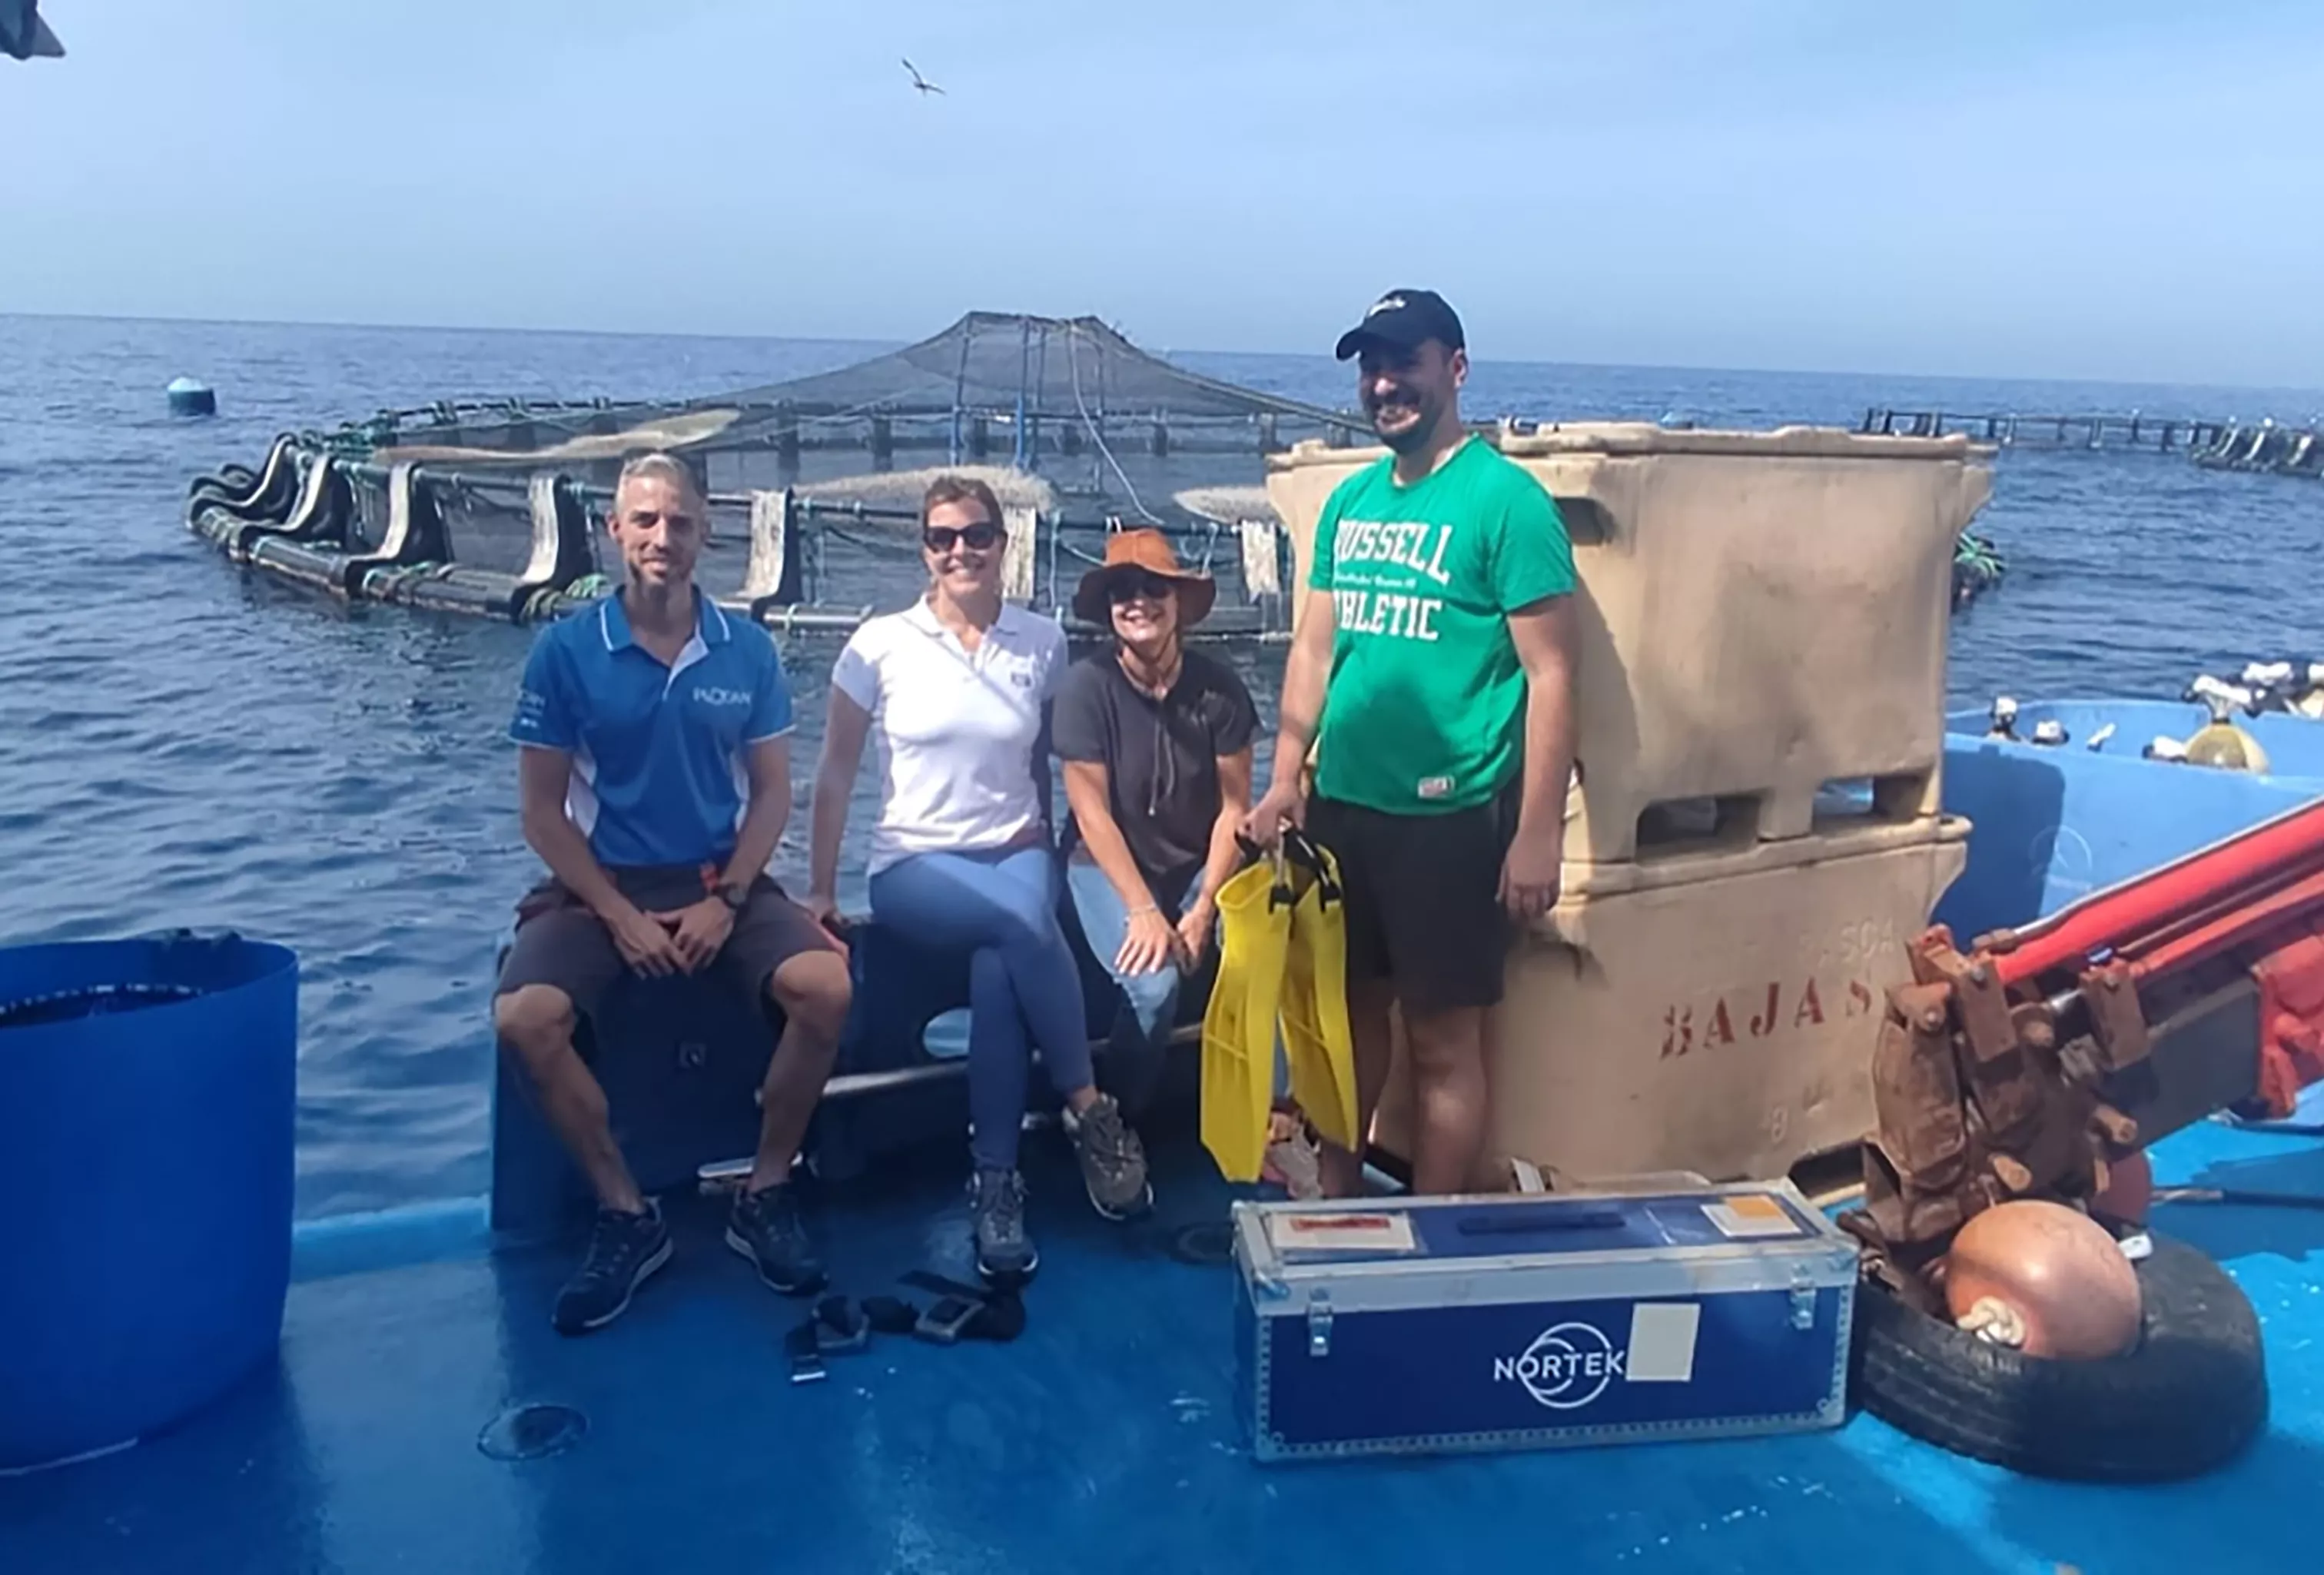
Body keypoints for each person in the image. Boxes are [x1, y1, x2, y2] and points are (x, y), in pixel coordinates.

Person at [493, 451, 853, 1336]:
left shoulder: (747, 649)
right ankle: (626, 1212)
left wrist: (727, 901)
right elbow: (542, 815)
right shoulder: (567, 651)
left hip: (715, 879)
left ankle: (765, 1192)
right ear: (614, 532)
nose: (664, 537)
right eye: (645, 521)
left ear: (707, 533)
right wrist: (615, 915)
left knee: (828, 988)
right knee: (525, 1018)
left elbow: (772, 794)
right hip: (598, 884)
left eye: (681, 522)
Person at [1242, 288, 1579, 1199]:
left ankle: (1430, 1232)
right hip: (1345, 810)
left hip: (1451, 817)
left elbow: (1552, 674)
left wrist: (1537, 830)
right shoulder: (1350, 503)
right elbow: (1315, 650)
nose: (1384, 383)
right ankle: (1344, 1196)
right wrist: (1283, 781)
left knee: (1443, 1041)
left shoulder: (1506, 503)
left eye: (1405, 363)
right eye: (1370, 366)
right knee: (1346, 1026)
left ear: (1455, 370)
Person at [805, 475, 1150, 1284]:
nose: (959, 550)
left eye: (975, 536)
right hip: (916, 863)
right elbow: (834, 773)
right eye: (941, 538)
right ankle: (1090, 1110)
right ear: (923, 549)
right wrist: (820, 892)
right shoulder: (878, 644)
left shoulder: (1042, 642)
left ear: (1003, 544)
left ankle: (996, 1187)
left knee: (1002, 965)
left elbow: (1052, 764)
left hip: (1016, 849)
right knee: (1021, 930)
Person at [1052, 528, 1257, 1119]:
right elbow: (1090, 811)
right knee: (1154, 985)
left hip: (1197, 865)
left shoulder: (1219, 689)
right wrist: (1143, 909)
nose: (1137, 600)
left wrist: (1203, 908)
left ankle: (1268, 1113)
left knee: (1263, 956)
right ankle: (1113, 1118)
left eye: (1153, 588)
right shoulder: (1086, 687)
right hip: (1105, 866)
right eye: (1122, 591)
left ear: (1179, 604)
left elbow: (1234, 809)